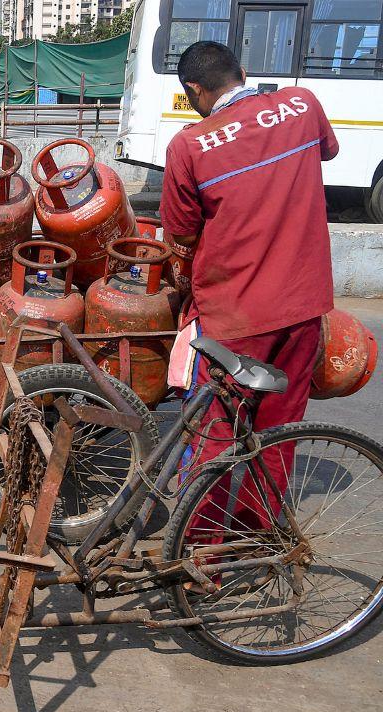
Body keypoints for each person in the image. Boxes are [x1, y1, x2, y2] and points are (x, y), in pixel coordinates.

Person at [160, 41, 337, 530]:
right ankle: (256, 541)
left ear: (195, 90)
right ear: (242, 71)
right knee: (278, 432)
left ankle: (200, 552)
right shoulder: (302, 104)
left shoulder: (189, 145)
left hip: (234, 315)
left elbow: (181, 233)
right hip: (304, 303)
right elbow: (328, 150)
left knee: (215, 433)